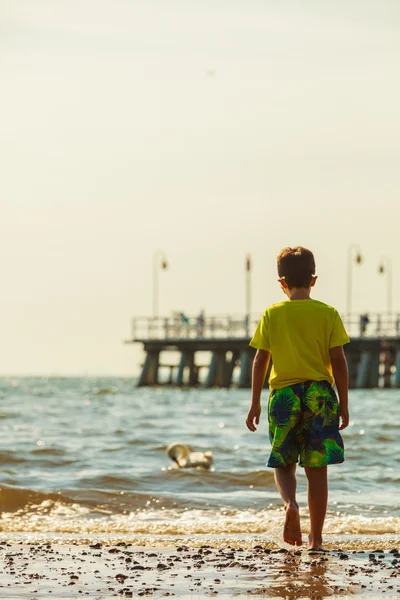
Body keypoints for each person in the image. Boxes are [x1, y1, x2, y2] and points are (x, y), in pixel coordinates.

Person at [246, 247, 350, 550]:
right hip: (319, 394)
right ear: (313, 280)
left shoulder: (272, 314)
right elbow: (339, 362)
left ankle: (290, 504)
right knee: (317, 470)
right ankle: (316, 541)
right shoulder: (328, 313)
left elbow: (259, 361)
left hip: (283, 396)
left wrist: (254, 403)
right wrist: (344, 402)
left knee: (284, 461)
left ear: (282, 282)